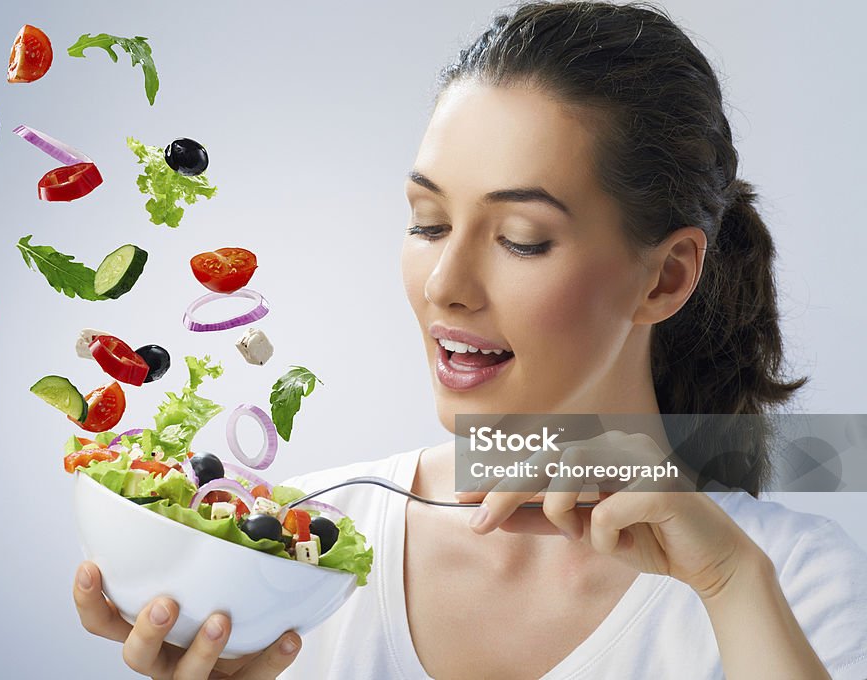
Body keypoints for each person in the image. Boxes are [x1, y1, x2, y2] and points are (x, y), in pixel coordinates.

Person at [71, 2, 867, 678]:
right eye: (428, 223)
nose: (444, 283)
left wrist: (729, 584)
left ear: (663, 278)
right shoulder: (294, 556)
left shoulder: (784, 581)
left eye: (522, 238)